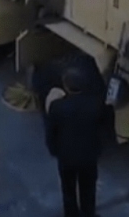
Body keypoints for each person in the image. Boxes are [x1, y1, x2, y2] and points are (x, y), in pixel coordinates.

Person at [46, 68, 106, 217]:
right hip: (89, 156)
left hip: (66, 156)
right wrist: (99, 149)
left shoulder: (57, 107)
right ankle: (88, 213)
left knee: (68, 189)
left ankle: (71, 213)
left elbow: (51, 132)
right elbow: (103, 128)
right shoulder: (95, 105)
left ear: (66, 86)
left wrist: (54, 150)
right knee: (88, 188)